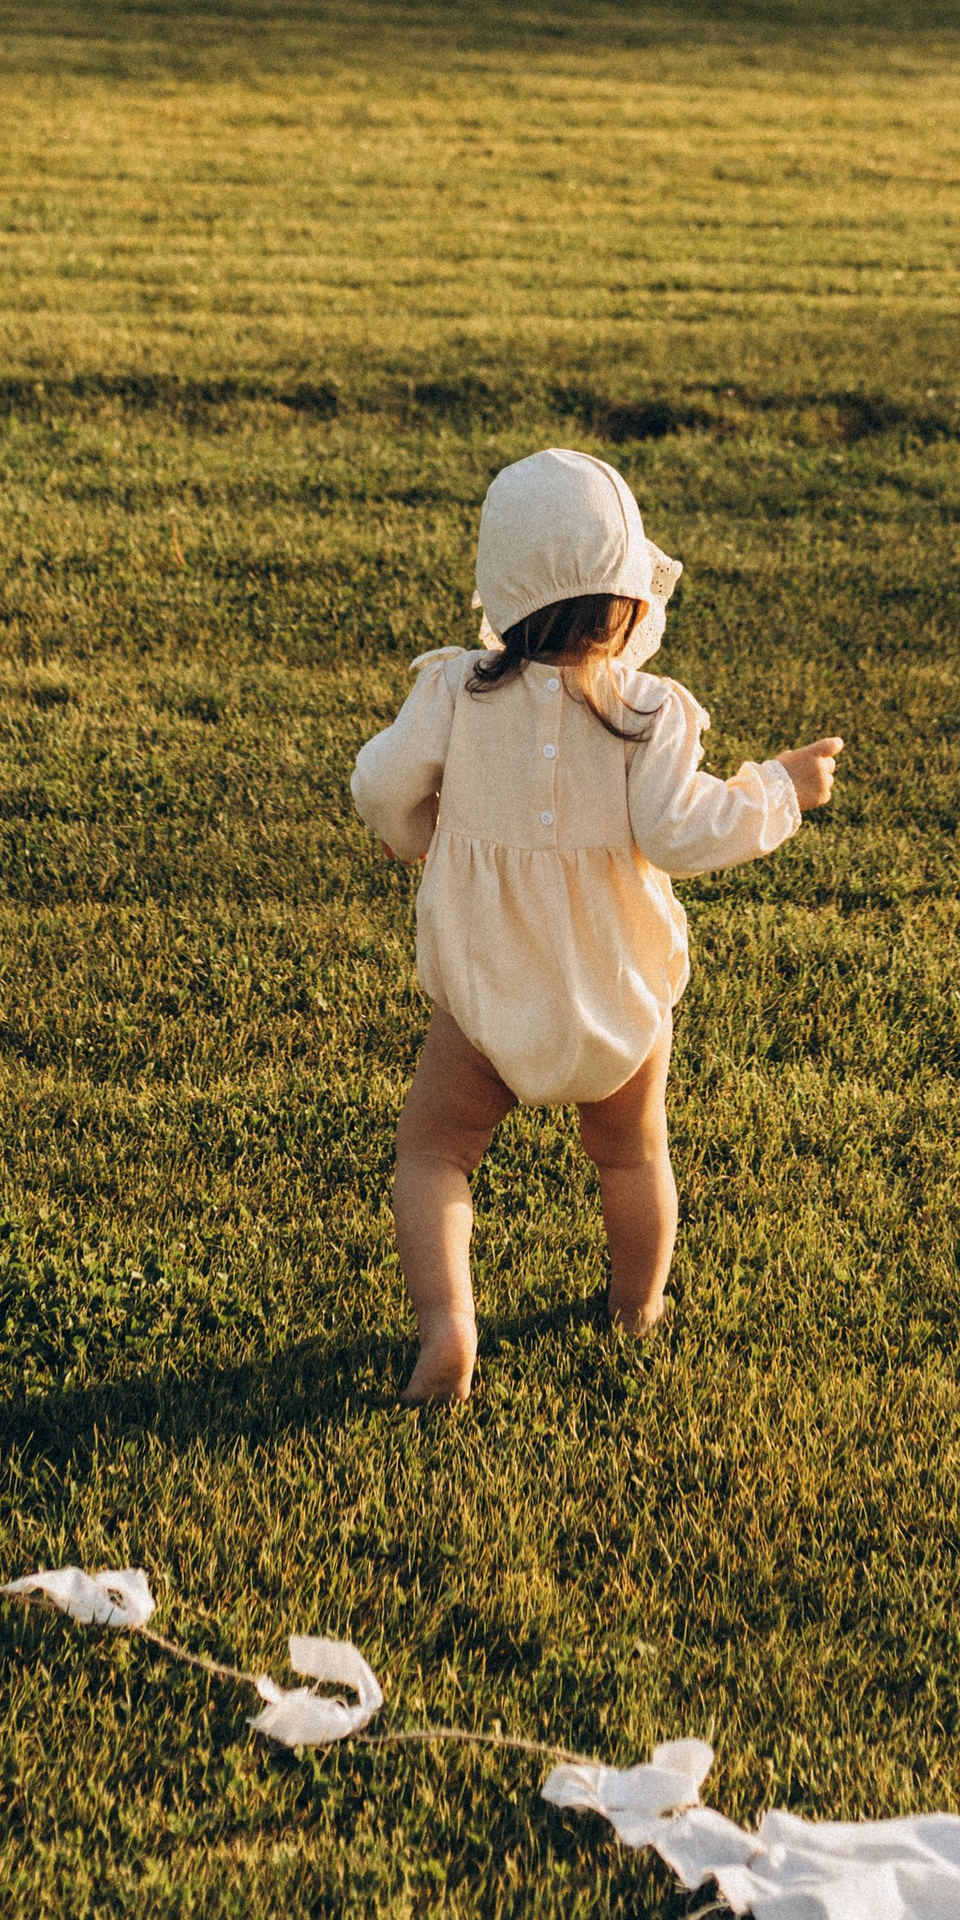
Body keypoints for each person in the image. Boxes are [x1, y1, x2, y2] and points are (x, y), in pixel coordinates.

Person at [352, 446, 840, 1404]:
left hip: (488, 995)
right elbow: (684, 829)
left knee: (433, 1152)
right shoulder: (648, 714)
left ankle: (449, 1324)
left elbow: (381, 787)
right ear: (626, 595)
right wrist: (781, 786)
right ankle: (636, 1306)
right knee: (632, 1152)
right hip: (617, 998)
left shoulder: (453, 692)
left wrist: (414, 831)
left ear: (503, 587)